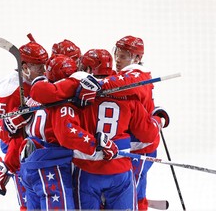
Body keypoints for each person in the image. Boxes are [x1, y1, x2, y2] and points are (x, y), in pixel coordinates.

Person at [71, 49, 168, 210]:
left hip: (86, 169)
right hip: (119, 170)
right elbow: (147, 133)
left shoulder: (76, 97)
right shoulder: (129, 96)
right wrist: (158, 118)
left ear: (88, 70)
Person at [19, 54, 110, 210]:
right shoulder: (64, 103)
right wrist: (98, 146)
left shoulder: (36, 94)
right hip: (50, 166)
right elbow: (68, 135)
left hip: (29, 163)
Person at [100, 35, 168, 210]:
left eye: (123, 56)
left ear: (137, 58)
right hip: (135, 146)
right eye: (117, 54)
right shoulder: (129, 75)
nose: (117, 60)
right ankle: (141, 201)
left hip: (141, 147)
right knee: (134, 187)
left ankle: (139, 203)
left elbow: (122, 85)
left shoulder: (137, 76)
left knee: (130, 193)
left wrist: (95, 84)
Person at [0, 34, 48, 210]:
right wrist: (8, 164)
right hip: (20, 151)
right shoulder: (18, 89)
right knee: (30, 203)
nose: (44, 70)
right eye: (39, 66)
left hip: (23, 148)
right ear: (24, 67)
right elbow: (4, 130)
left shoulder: (16, 82)